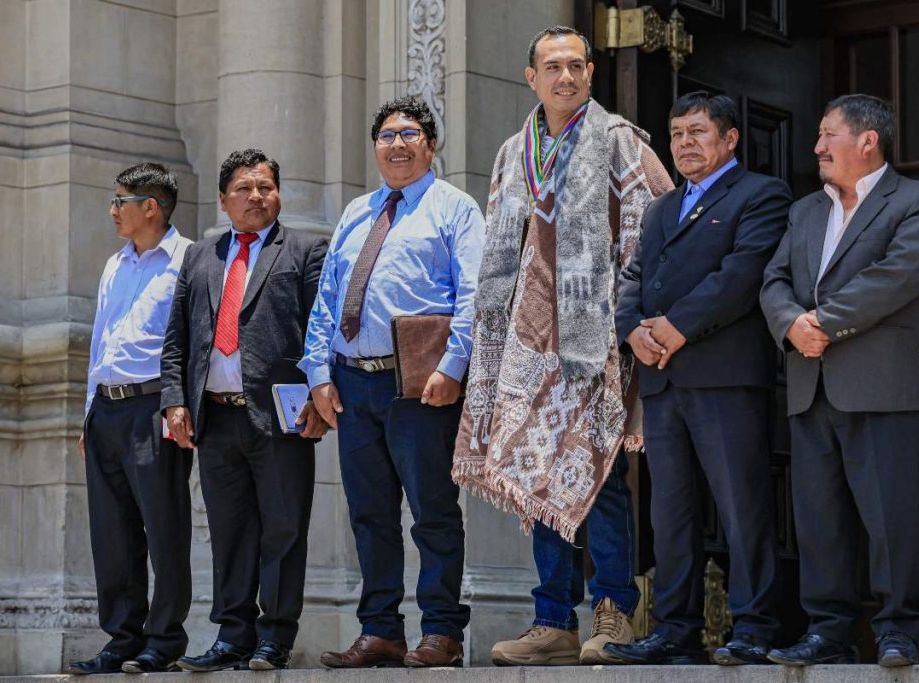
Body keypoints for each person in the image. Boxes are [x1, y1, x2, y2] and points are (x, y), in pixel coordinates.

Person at [452, 26, 673, 666]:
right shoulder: (511, 152)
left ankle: (613, 611)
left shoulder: (621, 142)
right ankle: (552, 620)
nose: (566, 77)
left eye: (577, 65)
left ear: (591, 73)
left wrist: (630, 309)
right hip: (526, 343)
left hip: (595, 336)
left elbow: (659, 222)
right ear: (531, 77)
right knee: (537, 472)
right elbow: (502, 246)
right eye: (553, 67)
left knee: (597, 476)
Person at [760, 94, 919, 667]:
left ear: (868, 141)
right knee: (819, 519)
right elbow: (773, 280)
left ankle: (897, 631)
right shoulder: (804, 211)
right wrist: (791, 323)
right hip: (808, 384)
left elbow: (897, 276)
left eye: (827, 135)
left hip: (880, 386)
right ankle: (829, 631)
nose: (816, 147)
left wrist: (822, 323)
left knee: (892, 515)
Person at [300, 96, 484, 668]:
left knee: (432, 509)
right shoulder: (357, 211)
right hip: (354, 385)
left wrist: (454, 367)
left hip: (421, 382)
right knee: (370, 512)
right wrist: (317, 373)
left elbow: (475, 294)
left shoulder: (455, 208)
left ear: (431, 144)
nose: (397, 144)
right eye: (386, 135)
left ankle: (442, 631)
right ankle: (380, 628)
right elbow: (327, 298)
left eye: (409, 134)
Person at [608, 91, 790, 666]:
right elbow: (634, 275)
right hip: (664, 381)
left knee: (742, 505)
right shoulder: (662, 208)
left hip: (724, 376)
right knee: (672, 511)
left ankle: (756, 625)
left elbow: (741, 274)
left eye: (698, 132)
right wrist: (632, 328)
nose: (685, 143)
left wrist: (675, 327)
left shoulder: (761, 194)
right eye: (677, 133)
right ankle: (675, 629)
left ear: (730, 138)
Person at [160, 149, 329, 671]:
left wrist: (321, 396)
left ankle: (274, 636)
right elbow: (177, 341)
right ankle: (232, 635)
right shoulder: (199, 258)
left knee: (282, 528)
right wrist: (173, 403)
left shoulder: (304, 251)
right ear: (222, 199)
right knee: (230, 532)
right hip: (215, 417)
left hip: (281, 415)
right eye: (244, 188)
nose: (256, 196)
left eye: (265, 187)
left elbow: (319, 333)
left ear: (278, 194)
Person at [68, 164, 194, 675]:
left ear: (152, 207)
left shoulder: (189, 260)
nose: (113, 209)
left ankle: (163, 640)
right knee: (112, 533)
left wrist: (178, 401)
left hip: (154, 407)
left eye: (122, 200)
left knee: (164, 527)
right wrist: (87, 412)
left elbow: (189, 340)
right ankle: (122, 638)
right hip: (107, 411)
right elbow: (100, 339)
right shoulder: (113, 265)